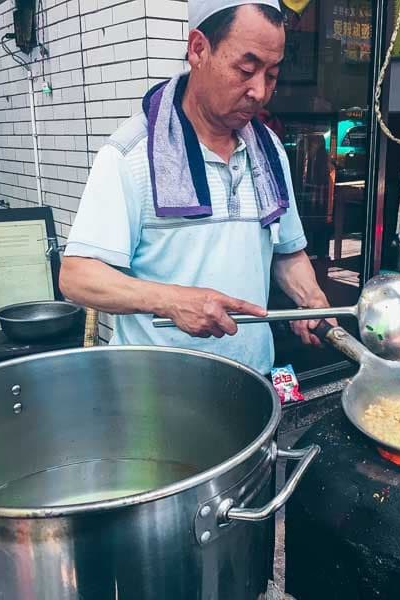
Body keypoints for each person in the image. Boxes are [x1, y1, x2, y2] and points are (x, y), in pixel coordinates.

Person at [59, 0, 331, 375]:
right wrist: (168, 300)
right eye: (246, 69)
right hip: (157, 388)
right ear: (198, 49)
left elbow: (287, 253)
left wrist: (311, 299)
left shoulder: (269, 151)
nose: (259, 92)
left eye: (271, 75)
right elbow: (77, 276)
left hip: (252, 377)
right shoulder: (132, 153)